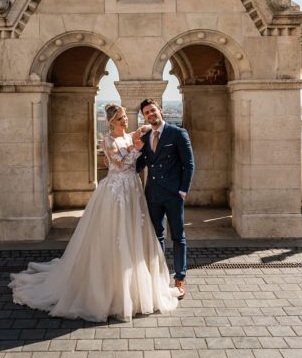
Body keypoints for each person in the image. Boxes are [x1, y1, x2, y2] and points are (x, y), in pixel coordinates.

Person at [9, 104, 180, 322]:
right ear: (111, 122)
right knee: (113, 235)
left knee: (134, 233)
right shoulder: (107, 141)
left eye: (125, 116)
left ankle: (136, 287)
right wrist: (136, 149)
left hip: (133, 190)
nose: (125, 120)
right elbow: (119, 164)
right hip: (115, 192)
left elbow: (149, 132)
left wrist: (142, 131)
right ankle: (110, 290)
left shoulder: (131, 136)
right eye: (120, 118)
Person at [136, 98, 195, 299]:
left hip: (173, 195)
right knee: (157, 237)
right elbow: (139, 165)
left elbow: (189, 164)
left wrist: (183, 191)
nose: (150, 114)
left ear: (160, 110)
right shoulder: (145, 138)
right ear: (144, 116)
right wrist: (123, 157)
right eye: (146, 112)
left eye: (153, 110)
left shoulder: (177, 133)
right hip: (152, 195)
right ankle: (160, 277)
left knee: (178, 236)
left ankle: (180, 277)